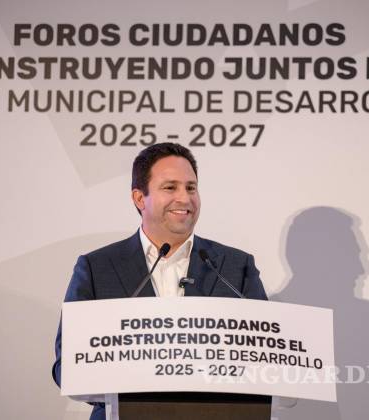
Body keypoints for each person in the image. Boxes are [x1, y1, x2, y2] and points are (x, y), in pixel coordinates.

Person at [52, 143, 267, 419]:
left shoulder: (236, 266)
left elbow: (264, 359)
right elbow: (67, 368)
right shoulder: (96, 268)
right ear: (139, 198)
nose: (185, 198)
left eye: (191, 188)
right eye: (170, 187)